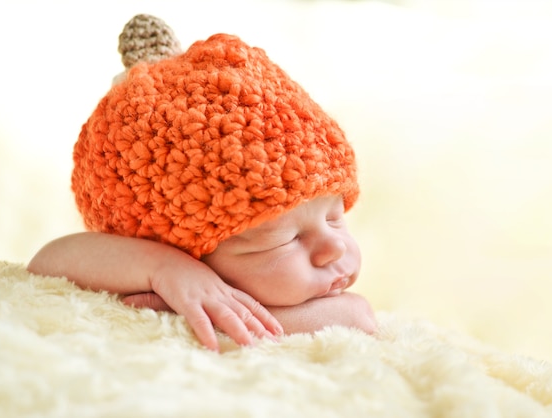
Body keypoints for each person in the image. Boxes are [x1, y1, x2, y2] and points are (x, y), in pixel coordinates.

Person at [27, 14, 377, 351]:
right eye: (286, 239)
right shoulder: (158, 270)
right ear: (185, 250)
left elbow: (356, 314)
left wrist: (239, 315)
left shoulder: (331, 300)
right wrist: (162, 268)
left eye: (335, 218)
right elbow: (47, 261)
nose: (336, 247)